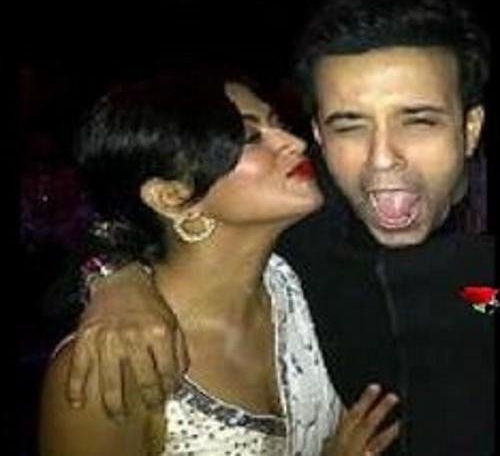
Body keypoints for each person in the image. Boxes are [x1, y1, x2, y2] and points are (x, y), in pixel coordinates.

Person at [58, 0, 495, 455]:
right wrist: (114, 279)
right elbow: (117, 215)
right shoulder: (310, 228)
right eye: (349, 125)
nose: (382, 158)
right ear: (321, 134)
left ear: (470, 127)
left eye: (419, 120)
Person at [39, 74, 401, 455]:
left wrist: (110, 274)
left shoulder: (313, 265)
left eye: (277, 123)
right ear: (172, 196)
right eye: (252, 137)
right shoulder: (115, 364)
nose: (294, 142)